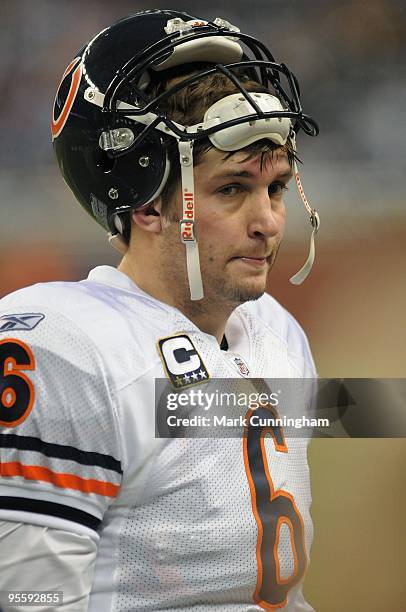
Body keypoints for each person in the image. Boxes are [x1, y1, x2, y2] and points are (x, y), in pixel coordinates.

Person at [0, 9, 320, 611]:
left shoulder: (276, 333)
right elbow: (28, 599)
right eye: (232, 189)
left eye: (276, 187)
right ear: (146, 204)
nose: (270, 222)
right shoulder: (67, 350)